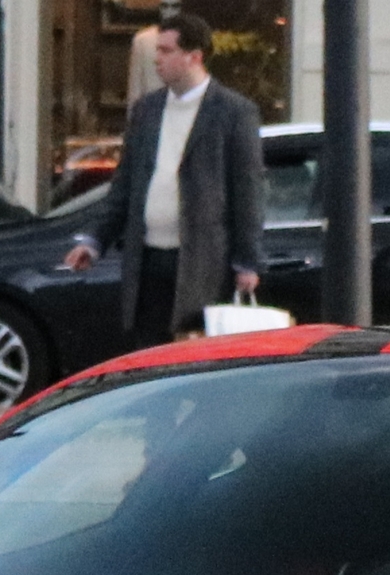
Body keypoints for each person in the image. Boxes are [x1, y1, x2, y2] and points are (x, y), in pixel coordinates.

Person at [65, 11, 263, 348]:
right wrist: (95, 242)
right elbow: (124, 185)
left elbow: (248, 191)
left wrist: (247, 262)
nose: (156, 59)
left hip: (200, 261)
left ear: (194, 57)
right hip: (147, 257)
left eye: (166, 51)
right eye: (157, 50)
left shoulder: (233, 112)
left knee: (193, 355)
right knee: (147, 350)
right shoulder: (147, 110)